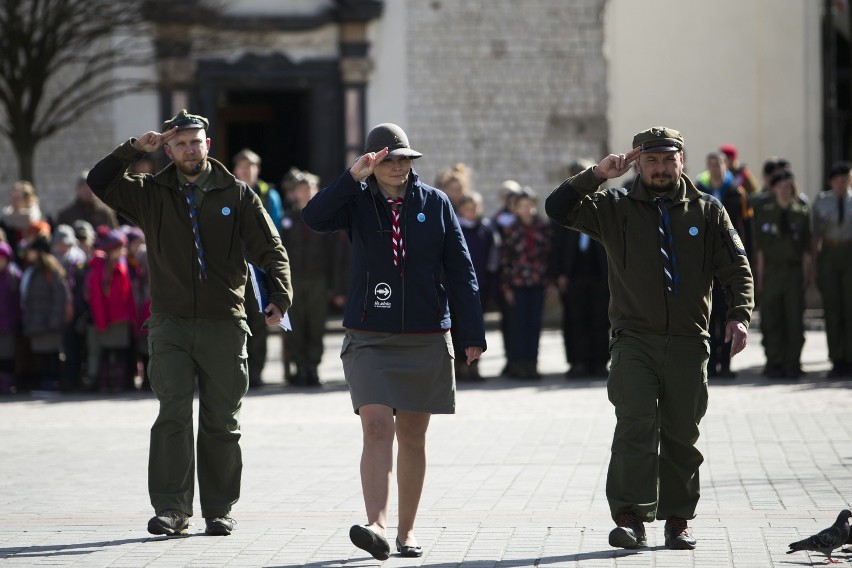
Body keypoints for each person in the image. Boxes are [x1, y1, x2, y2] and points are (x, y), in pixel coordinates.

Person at [545, 126, 754, 551]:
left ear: (682, 160)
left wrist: (739, 316)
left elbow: (737, 268)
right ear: (637, 162)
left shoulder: (707, 210)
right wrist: (596, 175)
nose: (660, 168)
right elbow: (558, 208)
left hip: (688, 341)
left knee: (681, 433)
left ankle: (678, 520)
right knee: (635, 426)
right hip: (634, 340)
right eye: (651, 160)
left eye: (668, 159)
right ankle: (630, 517)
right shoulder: (613, 207)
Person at [86, 109, 293, 537]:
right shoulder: (150, 193)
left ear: (208, 145)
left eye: (195, 142)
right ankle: (172, 509)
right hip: (170, 323)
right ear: (168, 148)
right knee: (173, 414)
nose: (189, 149)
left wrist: (279, 297)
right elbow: (100, 181)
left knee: (222, 420)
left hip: (224, 323)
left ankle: (218, 508)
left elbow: (270, 248)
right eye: (179, 143)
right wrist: (132, 149)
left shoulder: (237, 194)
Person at [302, 123, 486, 560]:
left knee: (414, 436)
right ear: (373, 161)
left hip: (425, 334)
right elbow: (314, 217)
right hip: (369, 334)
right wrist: (351, 178)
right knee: (375, 426)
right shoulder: (356, 202)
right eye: (390, 160)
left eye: (405, 160)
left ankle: (406, 532)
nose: (400, 167)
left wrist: (471, 331)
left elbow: (461, 270)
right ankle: (377, 525)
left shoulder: (435, 203)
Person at [279, 170, 345, 386]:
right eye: (301, 189)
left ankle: (313, 367)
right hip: (294, 280)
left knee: (316, 326)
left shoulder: (325, 218)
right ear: (296, 193)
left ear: (316, 191)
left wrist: (335, 287)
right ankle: (299, 367)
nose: (305, 193)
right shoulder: (288, 219)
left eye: (309, 189)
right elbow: (280, 253)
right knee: (295, 325)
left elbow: (335, 256)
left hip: (318, 279)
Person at [695, 151, 753, 378]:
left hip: (728, 261)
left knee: (728, 315)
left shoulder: (736, 191)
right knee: (709, 317)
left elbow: (747, 228)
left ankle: (726, 365)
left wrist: (746, 259)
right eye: (711, 165)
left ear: (725, 166)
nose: (715, 169)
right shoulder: (700, 191)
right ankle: (710, 364)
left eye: (718, 165)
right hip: (707, 264)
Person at [550, 159, 610, 378]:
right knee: (575, 319)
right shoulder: (563, 208)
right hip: (573, 274)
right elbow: (556, 245)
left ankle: (599, 362)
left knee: (600, 319)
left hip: (600, 274)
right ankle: (578, 361)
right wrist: (558, 273)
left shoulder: (605, 205)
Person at [232, 148, 284, 388]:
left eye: (250, 166)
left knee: (260, 323)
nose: (246, 170)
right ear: (235, 170)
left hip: (259, 268)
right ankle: (237, 372)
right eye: (242, 166)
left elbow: (276, 232)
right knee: (235, 324)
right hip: (233, 269)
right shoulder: (227, 192)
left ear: (257, 170)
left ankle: (257, 372)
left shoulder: (269, 194)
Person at [753, 171, 811, 379]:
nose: (784, 190)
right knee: (771, 319)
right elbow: (759, 250)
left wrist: (806, 276)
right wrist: (758, 277)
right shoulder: (765, 212)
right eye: (781, 187)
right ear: (774, 189)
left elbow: (806, 250)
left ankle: (792, 363)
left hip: (793, 271)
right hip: (771, 272)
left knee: (794, 320)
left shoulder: (801, 212)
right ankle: (774, 362)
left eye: (788, 187)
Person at [499, 187, 551, 379]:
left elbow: (548, 256)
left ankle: (532, 363)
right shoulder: (511, 229)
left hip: (538, 282)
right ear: (515, 208)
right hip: (517, 283)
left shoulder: (543, 228)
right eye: (521, 206)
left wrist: (549, 282)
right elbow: (505, 259)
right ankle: (519, 363)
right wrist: (506, 287)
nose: (526, 209)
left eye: (529, 205)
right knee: (519, 325)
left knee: (534, 325)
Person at [812, 160, 852, 378]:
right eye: (837, 180)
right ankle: (837, 358)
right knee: (833, 308)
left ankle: (850, 357)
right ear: (831, 182)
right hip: (829, 253)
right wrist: (814, 265)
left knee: (850, 308)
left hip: (849, 253)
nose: (841, 183)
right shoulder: (822, 202)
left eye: (845, 179)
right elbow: (815, 235)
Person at [453, 191, 500, 380]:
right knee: (457, 328)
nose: (471, 212)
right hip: (456, 288)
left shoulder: (486, 230)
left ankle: (474, 365)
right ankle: (459, 365)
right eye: (467, 208)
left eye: (474, 208)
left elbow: (493, 259)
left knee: (476, 328)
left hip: (480, 286)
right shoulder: (454, 227)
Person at [20, 223, 71, 392]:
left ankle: (52, 384)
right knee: (41, 356)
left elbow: (59, 298)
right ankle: (45, 383)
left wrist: (54, 321)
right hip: (37, 323)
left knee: (51, 356)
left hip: (49, 324)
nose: (29, 254)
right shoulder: (32, 271)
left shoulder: (51, 271)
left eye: (32, 251)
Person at [86, 227, 136, 393]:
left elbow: (128, 294)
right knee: (106, 353)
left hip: (121, 319)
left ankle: (118, 384)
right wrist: (101, 321)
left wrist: (131, 316)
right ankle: (105, 384)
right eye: (120, 248)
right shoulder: (100, 270)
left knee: (120, 352)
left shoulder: (122, 266)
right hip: (108, 319)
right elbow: (97, 299)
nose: (123, 251)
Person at [0, 181, 44, 264]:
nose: (14, 202)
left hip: (33, 267)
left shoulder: (38, 220)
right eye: (13, 198)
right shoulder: (5, 221)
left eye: (17, 198)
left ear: (27, 199)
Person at [0, 241, 21, 394]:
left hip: (8, 323)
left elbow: (19, 300)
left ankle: (6, 385)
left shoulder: (13, 276)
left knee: (7, 356)